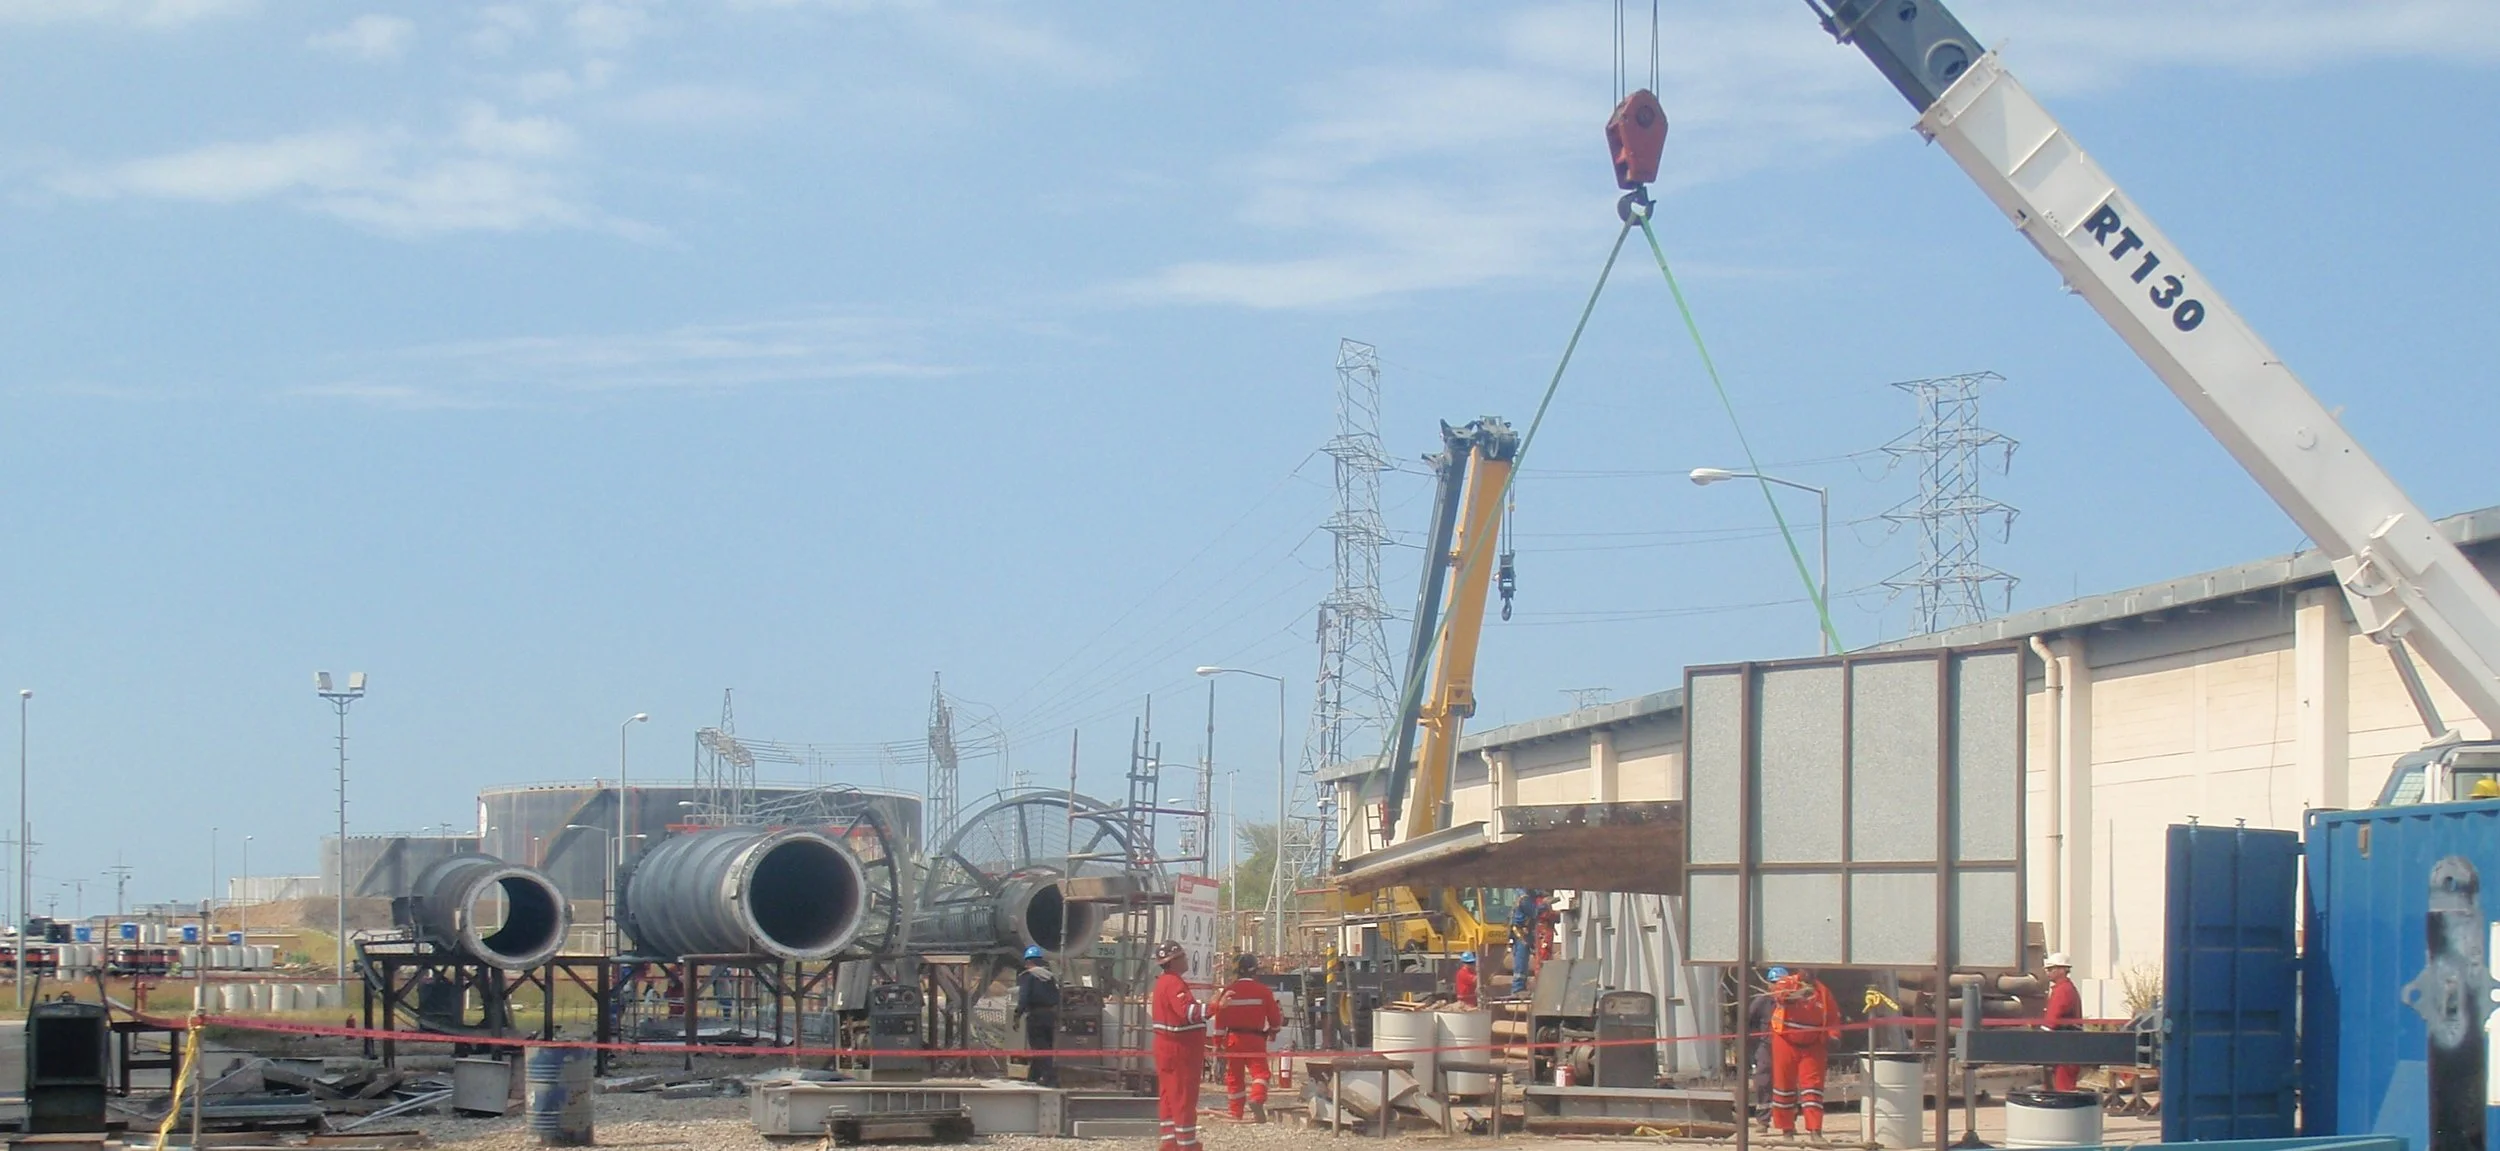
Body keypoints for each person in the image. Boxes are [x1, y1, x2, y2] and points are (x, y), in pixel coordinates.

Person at [1150, 941, 1225, 1151]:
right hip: (1179, 1051)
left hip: (1168, 1049)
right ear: (1173, 961)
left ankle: (1170, 1142)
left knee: (1168, 1097)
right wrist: (1215, 1007)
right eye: (1182, 957)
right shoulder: (1173, 983)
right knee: (1183, 1098)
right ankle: (1186, 1145)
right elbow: (1187, 1013)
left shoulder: (1164, 983)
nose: (1186, 960)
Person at [1214, 953, 1284, 1121]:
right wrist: (1273, 1031)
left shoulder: (1228, 991)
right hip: (1255, 1040)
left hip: (1233, 1040)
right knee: (1260, 1073)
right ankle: (1257, 1098)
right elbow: (1275, 1018)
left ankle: (1235, 1113)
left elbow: (1220, 1020)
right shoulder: (1263, 991)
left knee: (1234, 1077)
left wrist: (1217, 1043)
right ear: (1255, 971)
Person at [1768, 967, 1837, 1139]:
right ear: (1800, 969)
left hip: (1814, 1045)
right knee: (1784, 1086)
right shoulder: (1787, 982)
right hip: (1785, 1040)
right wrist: (1795, 996)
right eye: (1807, 969)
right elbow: (1779, 994)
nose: (1810, 973)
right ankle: (1787, 1130)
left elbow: (1833, 1017)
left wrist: (1834, 1036)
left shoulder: (1823, 991)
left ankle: (1815, 1131)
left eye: (1814, 970)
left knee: (1813, 1088)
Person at [1013, 945, 1062, 1087]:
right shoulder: (1049, 976)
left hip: (1036, 1016)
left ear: (1028, 962)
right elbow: (1056, 996)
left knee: (1040, 1048)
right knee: (1045, 1048)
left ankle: (1051, 1080)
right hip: (1050, 1016)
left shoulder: (1028, 976)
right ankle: (1033, 1078)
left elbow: (1024, 997)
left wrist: (1017, 1016)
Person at [1749, 967, 1788, 1127]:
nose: (1777, 986)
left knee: (1787, 1081)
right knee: (1763, 1080)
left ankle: (1787, 1120)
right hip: (1766, 1046)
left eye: (1780, 983)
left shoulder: (1792, 1001)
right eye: (1774, 983)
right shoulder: (1761, 1001)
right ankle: (1763, 1120)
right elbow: (1747, 1021)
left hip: (1787, 1045)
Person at [2040, 951, 2083, 1092]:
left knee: (2063, 1087)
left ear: (2062, 970)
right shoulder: (2065, 988)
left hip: (2065, 1045)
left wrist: (2041, 1036)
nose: (2048, 972)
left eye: (2051, 969)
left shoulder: (2063, 990)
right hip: (2067, 1044)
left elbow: (2053, 1018)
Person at [1508, 890, 1543, 995]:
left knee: (1524, 959)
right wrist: (1545, 905)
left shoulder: (1521, 896)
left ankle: (1521, 986)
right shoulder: (1525, 899)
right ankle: (1518, 988)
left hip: (1523, 932)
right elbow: (1534, 912)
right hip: (1521, 933)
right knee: (1521, 960)